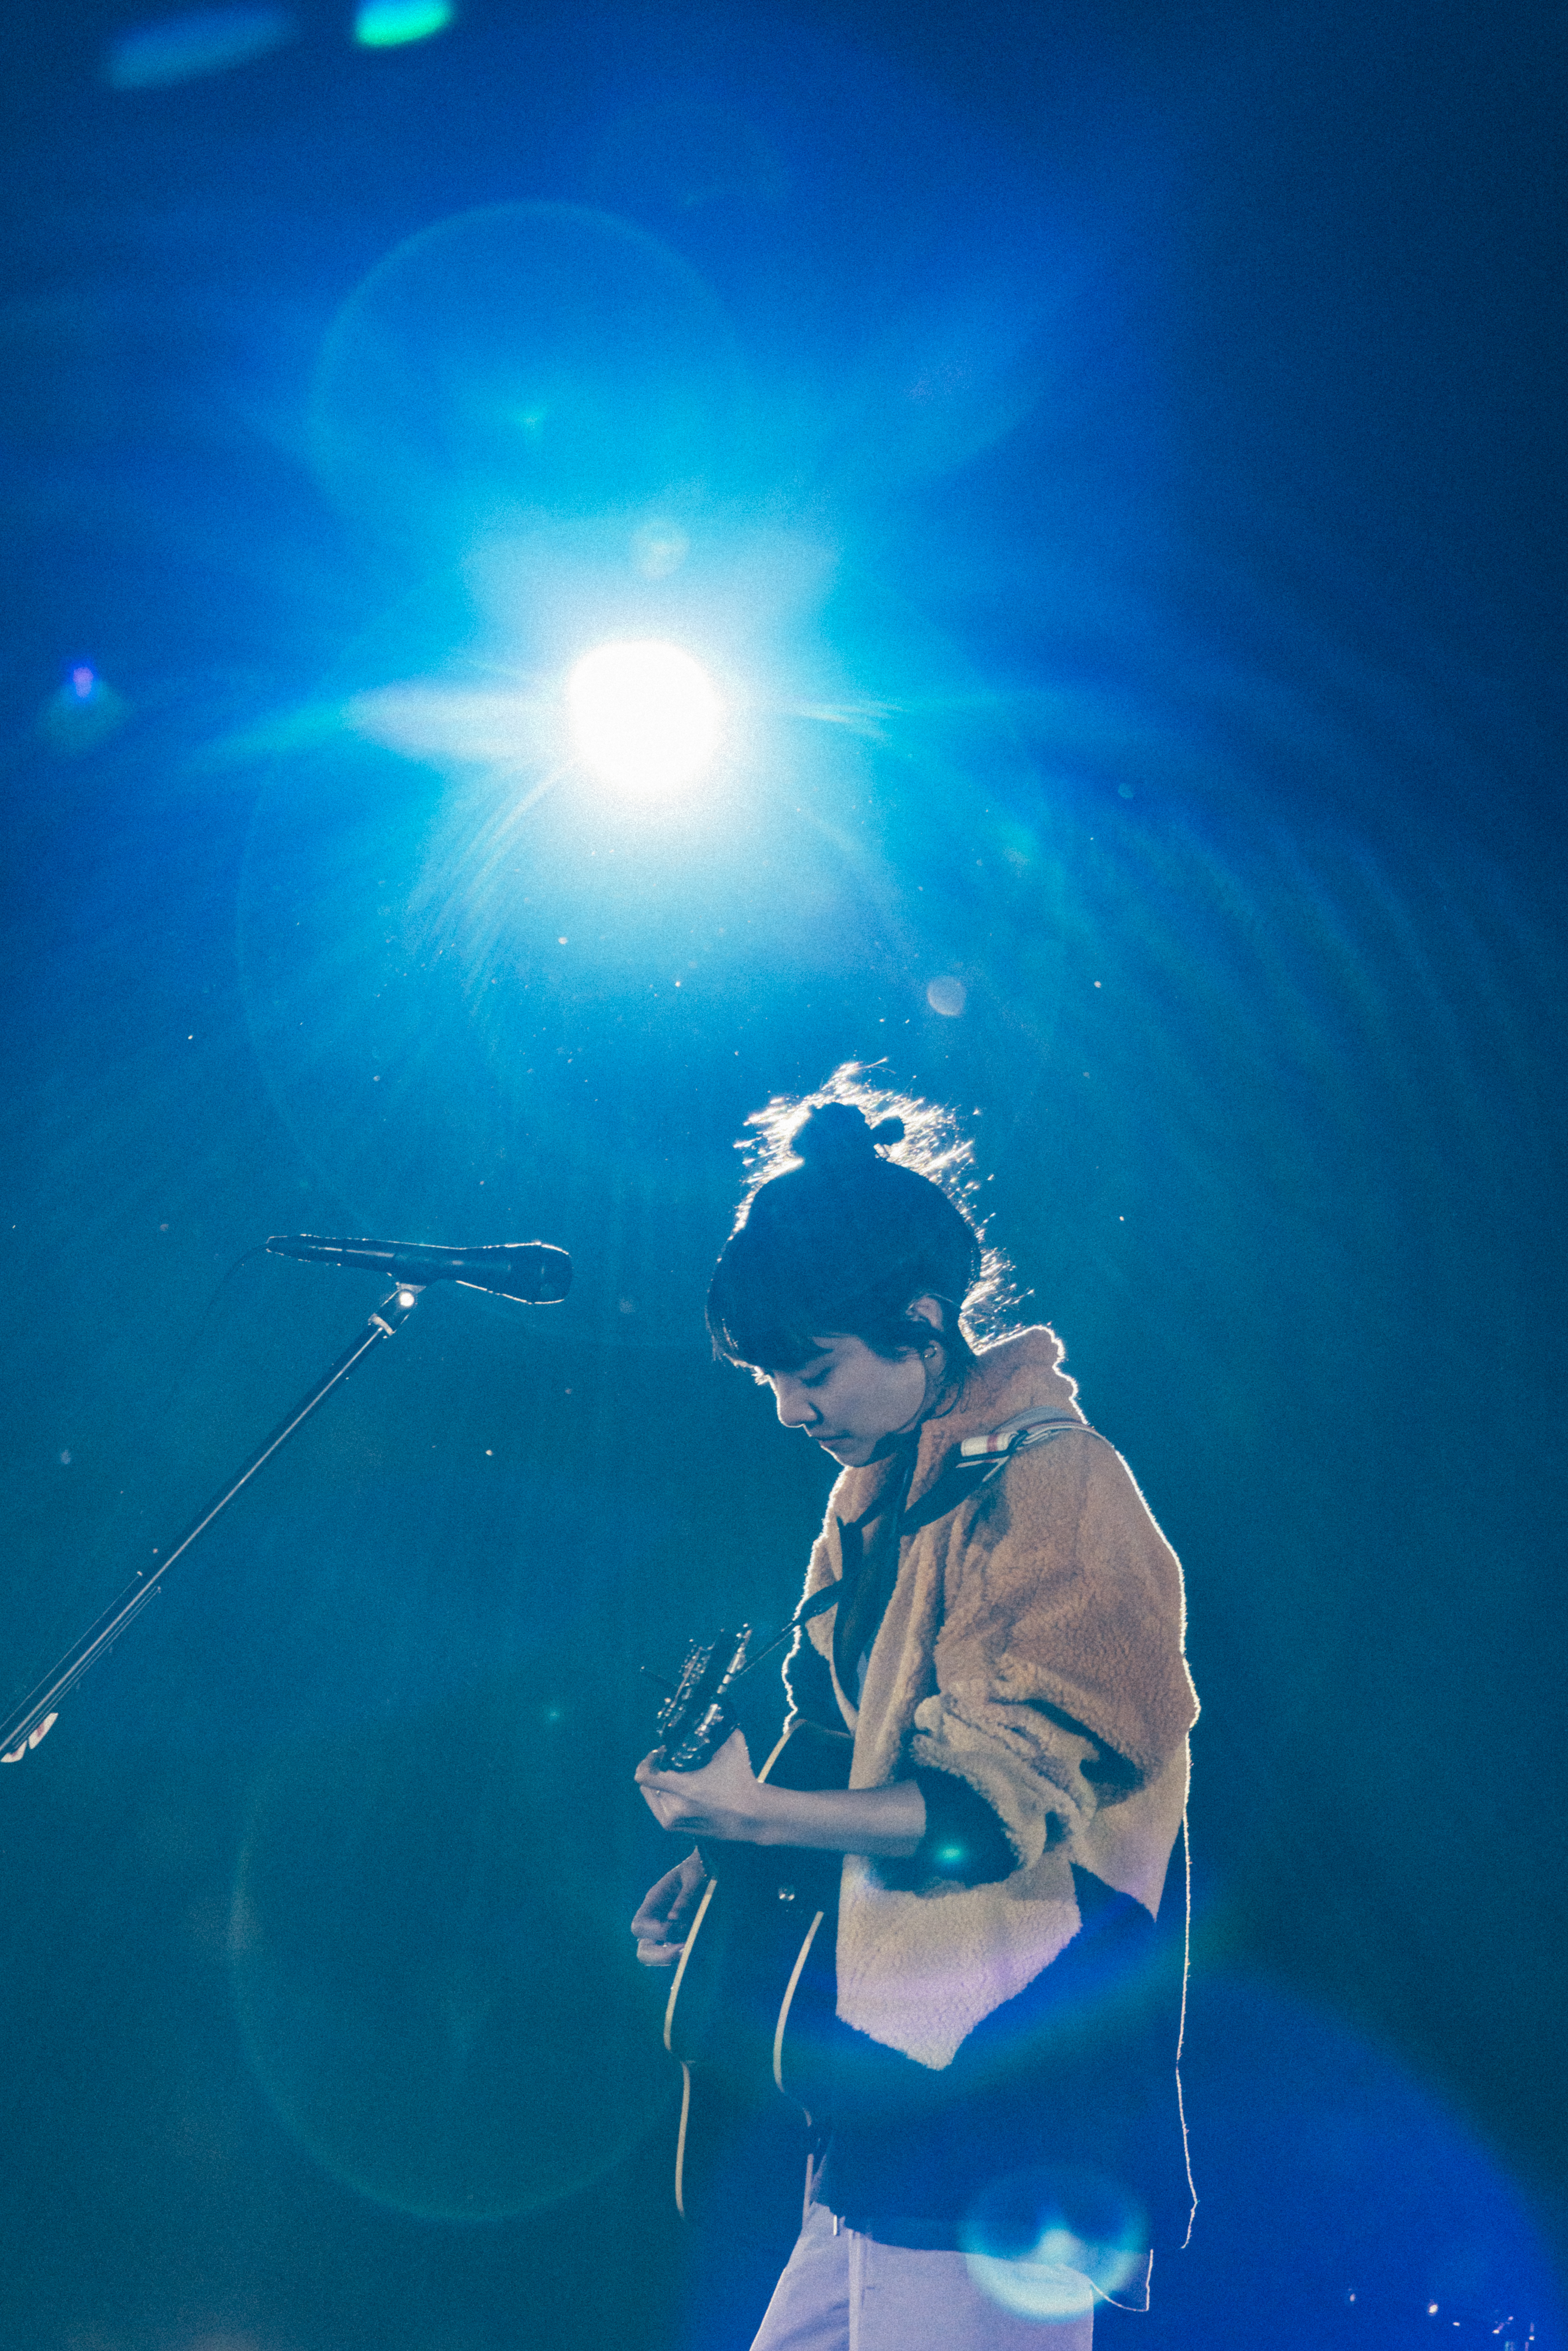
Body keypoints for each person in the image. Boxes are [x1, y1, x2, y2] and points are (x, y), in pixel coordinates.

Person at [633, 1075, 1198, 2350]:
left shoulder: (1061, 1490)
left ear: (923, 1323)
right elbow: (844, 1735)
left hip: (1008, 2092)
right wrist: (720, 1850)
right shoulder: (880, 1493)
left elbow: (990, 1808)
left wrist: (771, 1818)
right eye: (771, 1377)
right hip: (894, 2095)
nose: (792, 1407)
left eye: (813, 1368)